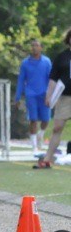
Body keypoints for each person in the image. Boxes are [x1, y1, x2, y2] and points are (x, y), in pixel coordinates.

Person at [34, 27, 71, 169]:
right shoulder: (62, 57)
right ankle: (47, 159)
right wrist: (49, 95)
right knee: (57, 127)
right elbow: (53, 79)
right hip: (64, 98)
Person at [14, 39, 52, 153]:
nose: (34, 48)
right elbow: (21, 80)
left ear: (41, 48)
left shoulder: (46, 61)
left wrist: (51, 93)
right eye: (33, 46)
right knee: (33, 119)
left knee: (46, 119)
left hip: (44, 94)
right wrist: (17, 97)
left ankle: (41, 135)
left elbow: (51, 78)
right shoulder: (26, 63)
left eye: (37, 46)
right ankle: (34, 146)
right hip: (31, 94)